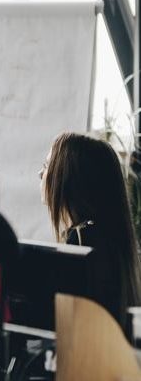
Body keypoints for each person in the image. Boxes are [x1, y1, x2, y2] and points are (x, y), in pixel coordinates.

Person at [40, 131, 141, 329]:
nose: (41, 174)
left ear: (67, 176)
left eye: (46, 166)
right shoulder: (106, 236)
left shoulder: (82, 240)